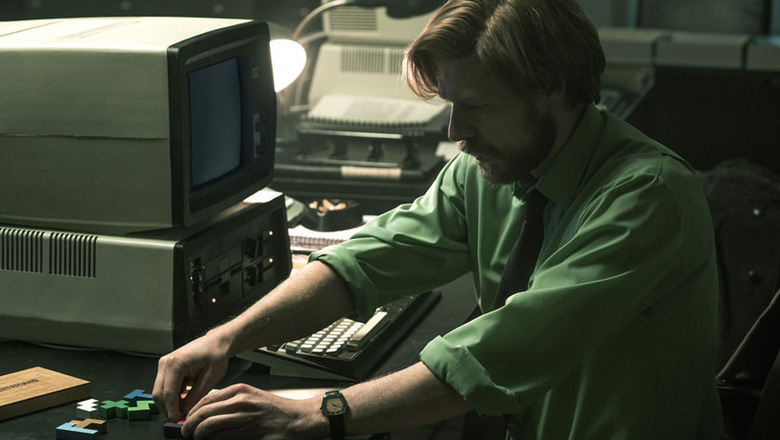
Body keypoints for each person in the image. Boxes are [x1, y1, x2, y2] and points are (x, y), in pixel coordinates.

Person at [153, 0, 726, 438]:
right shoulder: (491, 168)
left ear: (551, 86)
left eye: (476, 105)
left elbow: (501, 352)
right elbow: (369, 259)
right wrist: (225, 338)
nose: (456, 132)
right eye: (451, 104)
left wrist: (314, 414)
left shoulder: (647, 196)